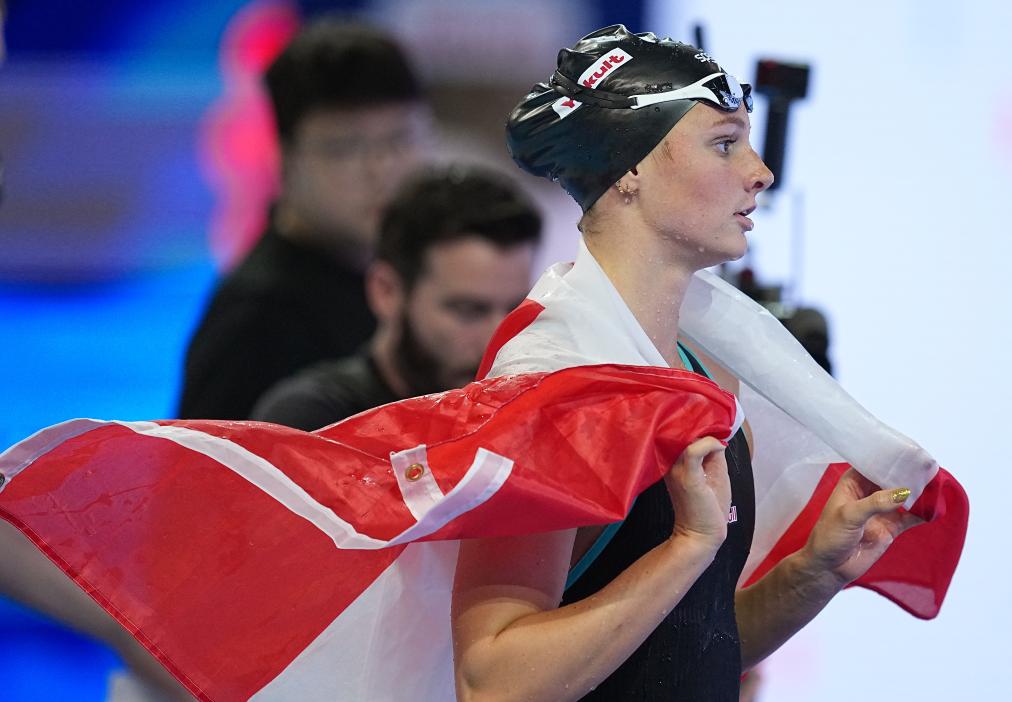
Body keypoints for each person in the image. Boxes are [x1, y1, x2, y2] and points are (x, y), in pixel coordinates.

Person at [450, 25, 922, 701]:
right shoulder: (552, 383)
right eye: (725, 143)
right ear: (631, 169)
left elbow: (689, 647)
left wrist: (811, 575)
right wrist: (688, 546)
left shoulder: (707, 374)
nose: (761, 172)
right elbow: (492, 682)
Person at [178, 17, 431, 420]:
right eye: (345, 149)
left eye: (399, 140)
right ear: (284, 157)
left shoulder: (404, 276)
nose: (381, 169)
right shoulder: (257, 321)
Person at [251, 165, 542, 430]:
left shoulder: (531, 417)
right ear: (386, 291)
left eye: (516, 309)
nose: (498, 340)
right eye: (468, 310)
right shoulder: (313, 423)